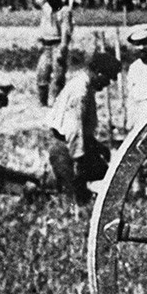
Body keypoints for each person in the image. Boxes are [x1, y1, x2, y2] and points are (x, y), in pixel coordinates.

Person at [47, 50, 120, 204]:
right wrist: (79, 159)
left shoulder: (85, 85)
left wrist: (97, 147)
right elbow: (74, 128)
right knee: (73, 198)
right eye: (108, 79)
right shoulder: (80, 91)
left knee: (104, 176)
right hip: (66, 147)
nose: (108, 84)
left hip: (74, 144)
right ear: (99, 73)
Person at [34, 0, 75, 106]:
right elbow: (43, 24)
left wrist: (63, 46)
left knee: (58, 75)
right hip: (46, 45)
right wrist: (39, 39)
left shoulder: (64, 10)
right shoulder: (46, 8)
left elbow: (65, 29)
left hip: (57, 44)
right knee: (42, 73)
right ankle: (42, 102)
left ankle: (58, 102)